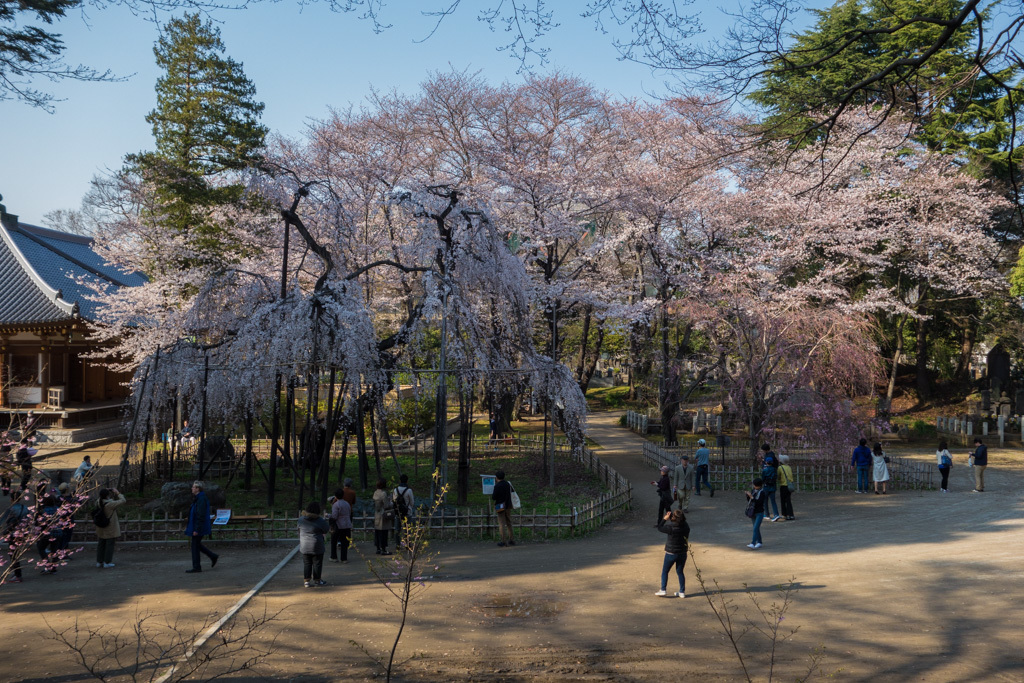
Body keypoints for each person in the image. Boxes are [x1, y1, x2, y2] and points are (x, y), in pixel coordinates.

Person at [654, 508, 689, 598]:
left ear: (673, 517)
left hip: (671, 553)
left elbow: (660, 527)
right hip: (682, 552)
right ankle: (682, 591)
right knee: (680, 572)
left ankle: (663, 589)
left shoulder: (670, 527)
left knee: (665, 571)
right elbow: (682, 523)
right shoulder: (686, 527)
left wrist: (665, 518)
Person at [184, 480, 219, 573]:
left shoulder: (201, 499)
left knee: (195, 546)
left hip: (199, 526)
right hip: (197, 525)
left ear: (197, 489)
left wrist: (197, 529)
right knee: (196, 545)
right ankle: (212, 556)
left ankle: (197, 566)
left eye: (193, 487)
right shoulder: (198, 498)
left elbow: (200, 515)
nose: (192, 488)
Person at [298, 501, 329, 587]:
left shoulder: (301, 519)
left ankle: (306, 581)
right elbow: (326, 529)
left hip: (304, 545)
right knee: (317, 563)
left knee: (307, 563)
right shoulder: (320, 520)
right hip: (317, 545)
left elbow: (299, 528)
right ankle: (317, 580)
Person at [1, 489, 29, 582]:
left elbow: (2, 521)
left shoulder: (11, 509)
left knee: (13, 554)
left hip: (12, 533)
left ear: (11, 499)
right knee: (16, 553)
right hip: (22, 532)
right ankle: (16, 573)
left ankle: (17, 575)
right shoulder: (25, 508)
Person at [95, 487, 126, 568]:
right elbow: (123, 500)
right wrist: (117, 493)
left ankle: (99, 561)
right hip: (110, 527)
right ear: (107, 495)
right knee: (109, 545)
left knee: (101, 544)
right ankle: (107, 561)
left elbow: (101, 498)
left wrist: (104, 491)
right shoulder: (110, 504)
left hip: (101, 527)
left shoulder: (98, 502)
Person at [492, 470, 516, 547]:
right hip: (508, 505)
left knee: (502, 523)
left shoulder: (497, 486)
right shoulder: (508, 484)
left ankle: (503, 541)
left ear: (497, 477)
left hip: (500, 505)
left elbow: (494, 497)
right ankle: (511, 539)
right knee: (509, 522)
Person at [329, 489, 352, 563]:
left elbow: (334, 516)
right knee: (344, 542)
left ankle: (334, 557)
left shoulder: (336, 505)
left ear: (335, 496)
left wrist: (329, 516)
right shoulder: (347, 503)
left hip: (338, 525)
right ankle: (344, 558)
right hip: (347, 524)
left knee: (334, 541)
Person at [392, 474, 414, 547]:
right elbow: (412, 502)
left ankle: (397, 544)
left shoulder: (395, 490)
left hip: (398, 512)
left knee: (397, 529)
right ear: (407, 481)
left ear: (400, 480)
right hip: (407, 512)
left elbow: (394, 501)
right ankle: (408, 544)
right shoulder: (409, 490)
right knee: (407, 529)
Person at [760, 444, 781, 521]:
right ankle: (776, 514)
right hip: (773, 486)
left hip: (766, 486)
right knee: (773, 501)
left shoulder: (765, 470)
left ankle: (767, 513)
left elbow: (763, 478)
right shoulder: (774, 469)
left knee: (765, 500)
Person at [372, 478, 392, 555]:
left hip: (377, 513)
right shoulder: (383, 494)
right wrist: (390, 502)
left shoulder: (375, 493)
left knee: (377, 532)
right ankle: (383, 548)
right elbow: (386, 505)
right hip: (383, 514)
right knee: (384, 532)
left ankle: (378, 548)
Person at [745, 478, 765, 549]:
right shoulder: (753, 490)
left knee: (755, 528)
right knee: (756, 528)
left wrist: (751, 497)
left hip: (759, 512)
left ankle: (753, 543)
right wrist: (748, 496)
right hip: (753, 511)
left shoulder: (762, 492)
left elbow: (759, 502)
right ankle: (759, 542)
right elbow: (750, 501)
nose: (753, 486)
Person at [777, 454, 796, 520]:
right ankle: (791, 514)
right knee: (788, 500)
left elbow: (778, 476)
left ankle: (784, 514)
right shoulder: (789, 467)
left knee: (783, 500)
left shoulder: (780, 468)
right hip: (789, 485)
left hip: (783, 485)